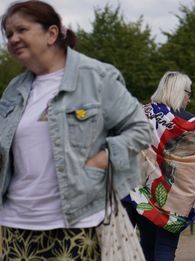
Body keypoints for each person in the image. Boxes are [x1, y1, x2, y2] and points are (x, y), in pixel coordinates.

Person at [0, 1, 152, 259]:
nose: (13, 38)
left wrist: (103, 158)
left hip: (76, 223)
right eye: (8, 34)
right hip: (15, 224)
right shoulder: (15, 89)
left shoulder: (97, 77)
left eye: (21, 30)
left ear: (51, 33)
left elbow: (140, 130)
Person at [122, 71, 195, 261]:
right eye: (189, 93)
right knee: (165, 248)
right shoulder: (192, 124)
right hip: (174, 198)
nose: (189, 99)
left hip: (139, 193)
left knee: (145, 244)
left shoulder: (139, 113)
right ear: (180, 92)